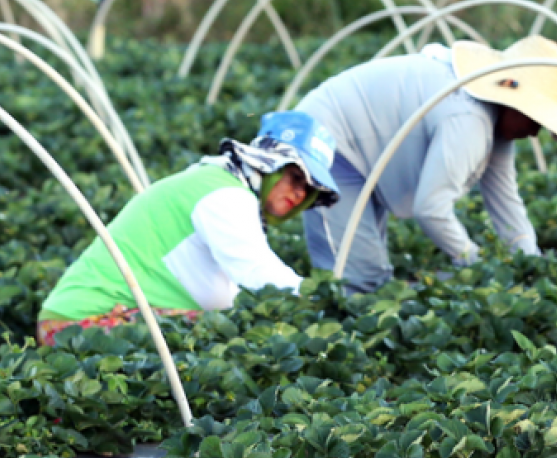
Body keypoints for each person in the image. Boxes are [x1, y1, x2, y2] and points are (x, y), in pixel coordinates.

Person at [296, 35, 557, 294]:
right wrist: (476, 263)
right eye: (535, 119)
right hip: (326, 139)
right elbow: (431, 208)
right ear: (512, 102)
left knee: (369, 274)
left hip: (361, 144)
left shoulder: (493, 120)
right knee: (357, 278)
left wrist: (529, 263)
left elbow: (505, 200)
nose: (536, 132)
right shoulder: (468, 120)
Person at [37, 111, 339, 346]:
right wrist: (328, 304)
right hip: (80, 323)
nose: (300, 193)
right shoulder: (225, 195)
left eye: (311, 188)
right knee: (223, 338)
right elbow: (259, 273)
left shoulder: (220, 183)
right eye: (295, 178)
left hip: (80, 321)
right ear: (270, 165)